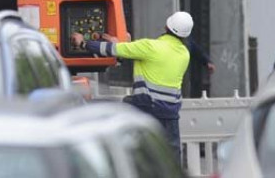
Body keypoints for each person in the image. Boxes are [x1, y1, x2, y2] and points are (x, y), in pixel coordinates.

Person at [71, 11, 192, 159]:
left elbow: (111, 50)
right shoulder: (184, 54)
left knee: (136, 154)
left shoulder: (150, 47)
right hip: (170, 113)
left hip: (147, 108)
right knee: (170, 157)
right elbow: (147, 60)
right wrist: (122, 45)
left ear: (166, 26)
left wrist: (83, 43)